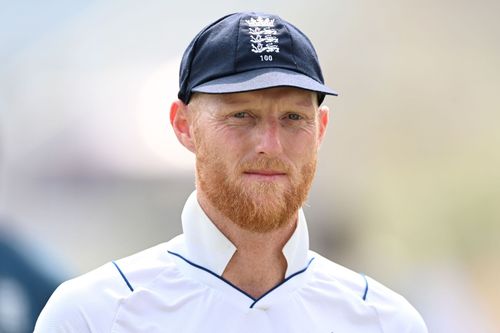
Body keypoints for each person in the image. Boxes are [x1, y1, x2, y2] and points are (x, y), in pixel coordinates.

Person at [35, 12, 428, 332]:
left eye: (293, 117)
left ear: (321, 129)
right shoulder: (91, 317)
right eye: (241, 116)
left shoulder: (387, 321)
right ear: (183, 125)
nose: (270, 145)